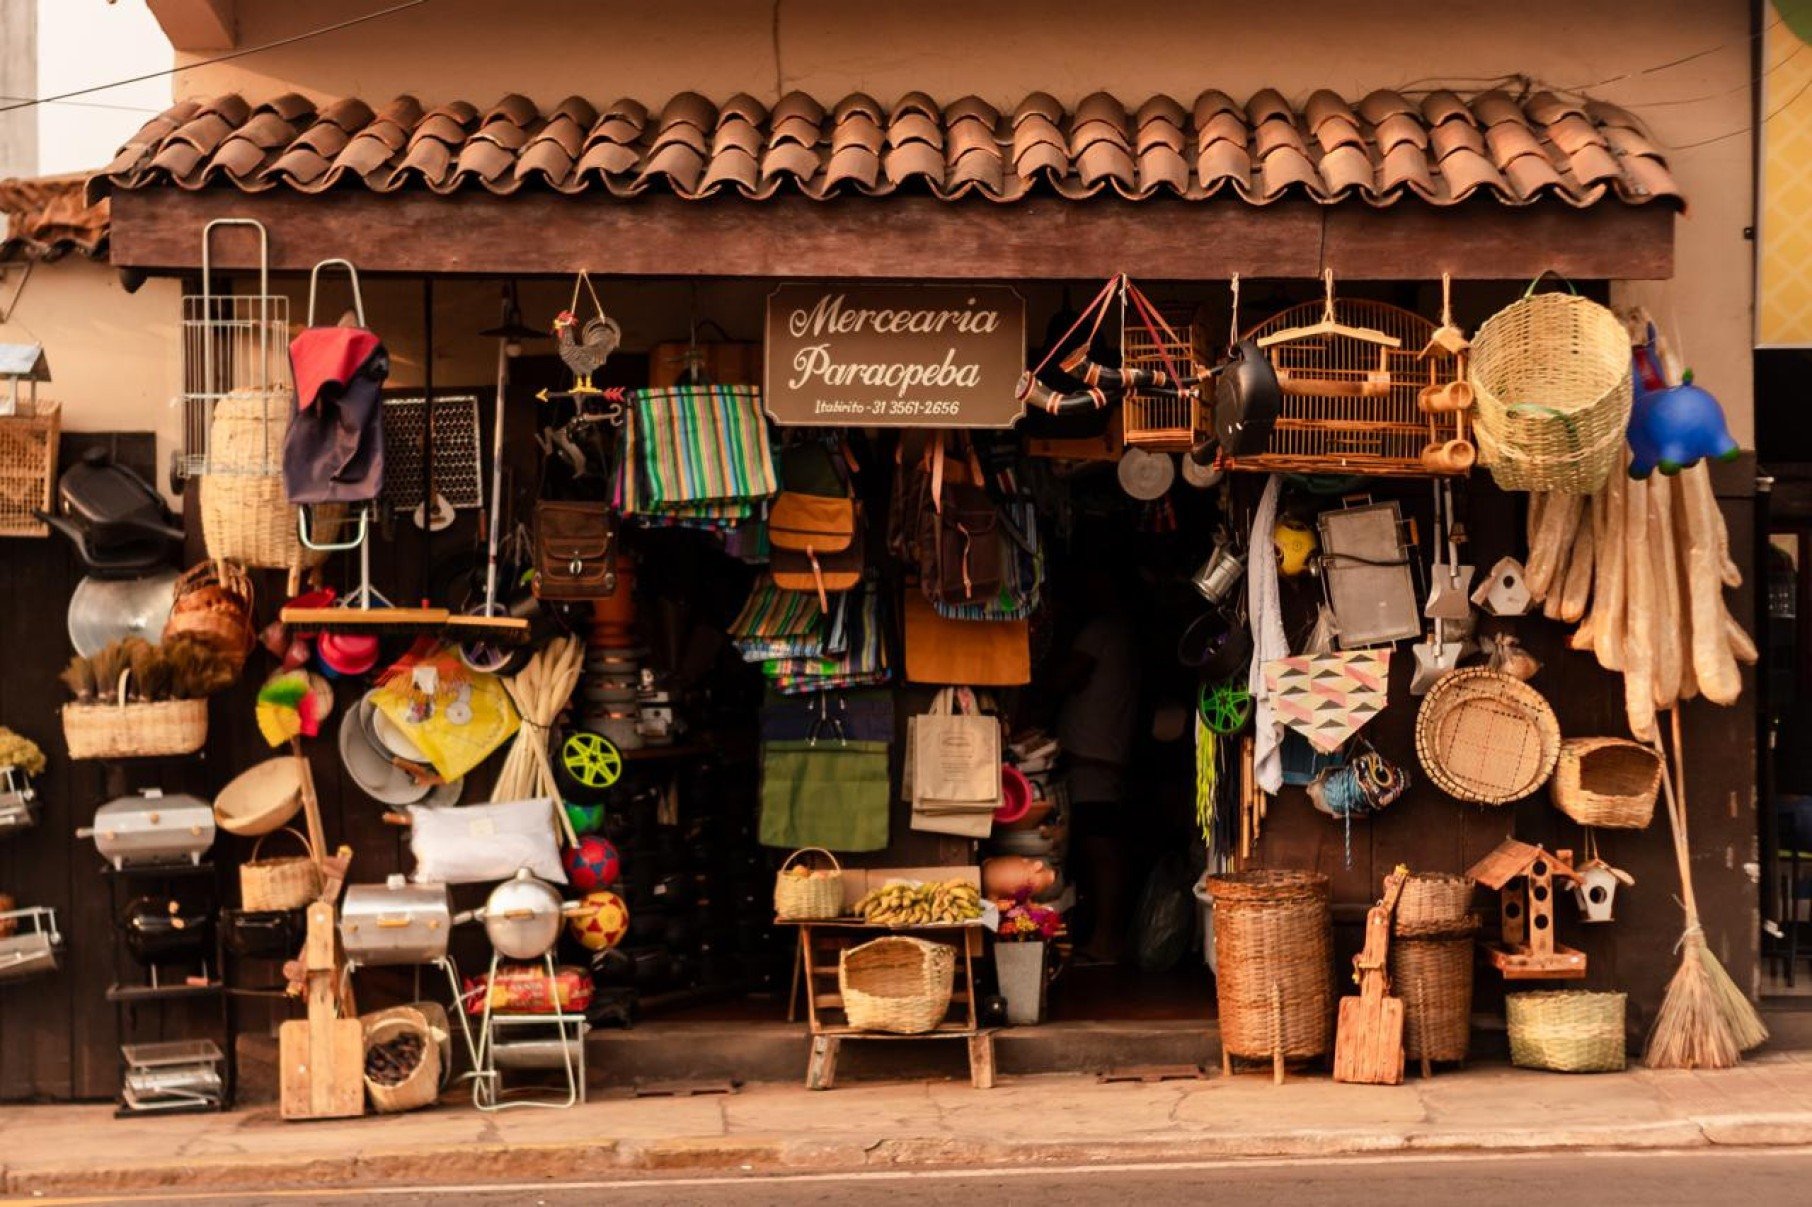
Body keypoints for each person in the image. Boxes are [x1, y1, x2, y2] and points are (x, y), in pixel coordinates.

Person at [1052, 565, 1140, 963]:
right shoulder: (1122, 633)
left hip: (1093, 757)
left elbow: (1065, 677)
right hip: (1103, 754)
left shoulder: (1100, 632)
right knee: (1100, 845)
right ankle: (1105, 937)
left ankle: (1106, 939)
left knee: (1099, 848)